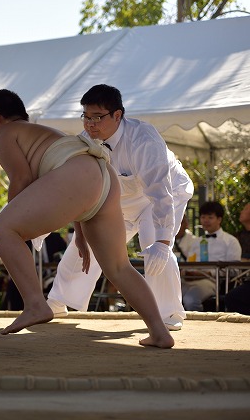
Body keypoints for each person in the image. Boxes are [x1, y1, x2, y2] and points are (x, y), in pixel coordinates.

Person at [0, 88, 173, 348]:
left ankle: (35, 304)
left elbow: (21, 178)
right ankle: (159, 332)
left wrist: (12, 223)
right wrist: (80, 234)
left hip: (82, 175)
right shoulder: (41, 133)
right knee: (118, 266)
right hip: (104, 176)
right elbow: (71, 186)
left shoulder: (3, 134)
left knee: (1, 229)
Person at [45, 84, 193, 331]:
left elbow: (160, 192)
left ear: (117, 115)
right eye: (86, 117)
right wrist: (80, 233)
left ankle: (169, 312)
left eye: (97, 117)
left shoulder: (143, 138)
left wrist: (164, 241)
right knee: (87, 244)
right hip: (119, 201)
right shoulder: (84, 142)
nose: (90, 124)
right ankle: (57, 301)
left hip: (164, 194)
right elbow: (80, 192)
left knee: (155, 245)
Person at [181, 201, 242, 311]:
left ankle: (199, 322)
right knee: (166, 294)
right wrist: (187, 272)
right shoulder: (196, 241)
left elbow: (235, 270)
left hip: (213, 282)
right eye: (203, 217)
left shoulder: (231, 241)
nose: (206, 220)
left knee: (190, 300)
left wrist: (210, 273)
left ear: (219, 219)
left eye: (210, 217)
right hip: (189, 280)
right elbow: (190, 262)